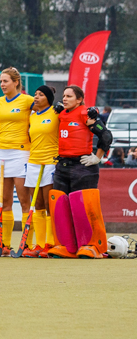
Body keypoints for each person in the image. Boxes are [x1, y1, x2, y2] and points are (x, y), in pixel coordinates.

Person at [47, 85, 113, 259]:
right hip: (62, 166)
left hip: (83, 167)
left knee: (84, 207)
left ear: (80, 99)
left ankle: (92, 245)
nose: (65, 99)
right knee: (60, 205)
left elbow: (106, 136)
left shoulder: (86, 114)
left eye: (69, 96)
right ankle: (66, 246)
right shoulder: (61, 113)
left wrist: (97, 157)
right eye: (64, 96)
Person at [0, 68, 33, 255]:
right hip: (1, 153)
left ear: (16, 82)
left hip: (20, 153)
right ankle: (4, 245)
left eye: (6, 81)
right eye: (1, 81)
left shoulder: (27, 100)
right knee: (4, 202)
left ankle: (27, 245)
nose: (2, 85)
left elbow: (44, 112)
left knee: (25, 201)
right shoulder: (0, 102)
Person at [23, 85, 58, 257]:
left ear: (49, 99)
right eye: (35, 94)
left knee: (49, 204)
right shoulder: (32, 116)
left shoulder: (56, 114)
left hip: (50, 162)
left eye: (41, 95)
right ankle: (39, 244)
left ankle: (50, 244)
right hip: (33, 162)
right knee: (37, 205)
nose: (36, 97)